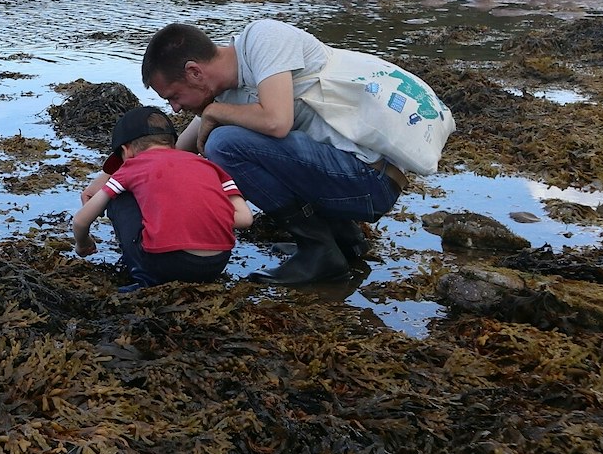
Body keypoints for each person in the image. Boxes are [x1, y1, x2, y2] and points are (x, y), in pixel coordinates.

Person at [140, 19, 410, 285]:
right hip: (352, 179)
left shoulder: (264, 38)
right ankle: (344, 240)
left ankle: (318, 248)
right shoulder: (229, 93)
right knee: (228, 140)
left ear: (194, 72)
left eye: (174, 96)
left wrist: (214, 113)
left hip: (372, 179)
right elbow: (174, 154)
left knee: (223, 144)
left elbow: (277, 122)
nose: (174, 108)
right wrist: (115, 181)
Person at [71, 105, 254, 288]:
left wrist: (83, 243)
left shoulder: (131, 167)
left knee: (118, 197)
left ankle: (143, 277)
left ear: (126, 152)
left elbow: (80, 221)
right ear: (173, 145)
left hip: (167, 265)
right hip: (216, 263)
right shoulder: (209, 166)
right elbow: (245, 219)